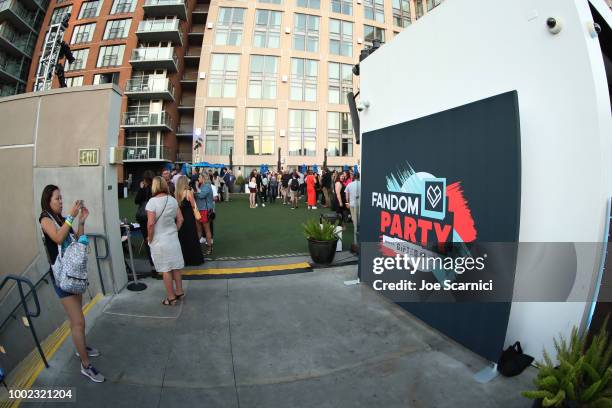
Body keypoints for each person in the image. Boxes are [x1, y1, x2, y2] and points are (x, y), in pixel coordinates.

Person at [39, 185, 104, 383]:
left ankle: (81, 347)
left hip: (73, 273)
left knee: (77, 318)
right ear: (48, 201)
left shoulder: (60, 218)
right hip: (62, 277)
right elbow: (58, 238)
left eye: (61, 198)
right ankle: (85, 366)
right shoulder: (45, 219)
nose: (61, 201)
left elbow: (74, 239)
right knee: (78, 322)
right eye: (57, 198)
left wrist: (81, 221)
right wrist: (71, 216)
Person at [146, 177, 185, 305]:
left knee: (165, 269)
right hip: (173, 238)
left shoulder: (152, 202)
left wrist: (150, 238)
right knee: (176, 268)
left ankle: (171, 297)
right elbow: (180, 219)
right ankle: (179, 292)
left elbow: (151, 224)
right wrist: (174, 231)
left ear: (154, 186)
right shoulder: (172, 200)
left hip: (159, 240)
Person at [175, 176, 204, 266]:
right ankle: (195, 259)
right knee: (192, 237)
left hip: (179, 217)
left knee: (182, 238)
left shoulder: (176, 193)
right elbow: (193, 206)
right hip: (189, 217)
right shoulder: (188, 192)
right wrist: (198, 216)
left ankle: (184, 259)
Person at [135, 170, 155, 275]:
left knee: (148, 241)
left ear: (144, 180)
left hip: (144, 218)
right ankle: (159, 264)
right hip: (155, 217)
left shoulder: (143, 190)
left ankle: (153, 266)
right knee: (156, 240)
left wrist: (141, 188)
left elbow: (136, 201)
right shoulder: (156, 189)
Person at [195, 172, 214, 255]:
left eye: (199, 177)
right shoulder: (202, 186)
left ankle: (209, 247)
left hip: (205, 210)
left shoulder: (207, 186)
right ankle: (196, 247)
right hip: (199, 210)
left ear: (203, 178)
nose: (198, 179)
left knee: (206, 230)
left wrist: (195, 188)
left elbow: (201, 195)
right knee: (199, 230)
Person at [345, 172, 361, 250]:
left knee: (355, 221)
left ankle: (356, 241)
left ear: (353, 177)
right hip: (360, 205)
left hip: (352, 204)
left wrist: (347, 202)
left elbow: (346, 195)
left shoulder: (349, 184)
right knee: (359, 220)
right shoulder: (362, 184)